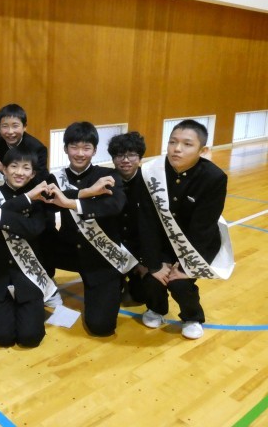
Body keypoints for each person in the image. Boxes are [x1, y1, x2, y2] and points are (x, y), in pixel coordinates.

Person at [138, 119, 230, 340]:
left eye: (187, 144)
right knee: (153, 277)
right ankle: (156, 309)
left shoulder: (214, 178)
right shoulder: (151, 171)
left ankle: (192, 317)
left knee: (179, 282)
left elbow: (204, 227)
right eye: (172, 142)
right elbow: (146, 220)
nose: (177, 149)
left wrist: (186, 266)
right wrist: (154, 262)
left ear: (203, 150)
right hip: (162, 242)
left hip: (197, 244)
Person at [44, 122, 136, 336]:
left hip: (101, 255)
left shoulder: (108, 175)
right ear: (65, 149)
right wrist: (87, 193)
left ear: (94, 151)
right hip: (68, 250)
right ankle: (45, 286)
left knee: (101, 327)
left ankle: (117, 281)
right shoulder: (54, 178)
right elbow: (48, 203)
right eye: (74, 147)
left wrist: (70, 202)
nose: (80, 153)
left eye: (86, 148)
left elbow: (114, 205)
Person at [0, 149, 55, 347]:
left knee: (31, 338)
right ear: (4, 169)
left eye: (26, 168)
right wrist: (26, 199)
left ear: (33, 174)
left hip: (29, 275)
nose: (19, 172)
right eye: (14, 166)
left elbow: (33, 229)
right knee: (2, 338)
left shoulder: (39, 199)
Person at [107, 131, 148, 304]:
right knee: (109, 294)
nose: (125, 160)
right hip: (114, 250)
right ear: (113, 158)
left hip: (141, 250)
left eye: (131, 155)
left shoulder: (150, 182)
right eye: (119, 155)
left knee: (142, 295)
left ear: (140, 158)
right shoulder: (105, 181)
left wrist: (145, 261)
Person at [0, 103, 49, 183]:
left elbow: (41, 180)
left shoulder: (38, 149)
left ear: (24, 127)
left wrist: (2, 169)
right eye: (5, 126)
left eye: (15, 126)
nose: (10, 132)